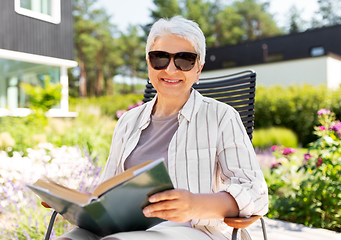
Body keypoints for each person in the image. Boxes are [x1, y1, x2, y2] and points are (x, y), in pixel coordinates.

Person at [54, 16, 268, 240]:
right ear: (149, 64)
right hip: (124, 229)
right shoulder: (128, 122)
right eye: (160, 58)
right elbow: (106, 192)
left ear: (198, 70)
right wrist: (75, 204)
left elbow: (257, 193)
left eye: (185, 60)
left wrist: (194, 205)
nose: (171, 69)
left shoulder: (222, 117)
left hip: (195, 232)